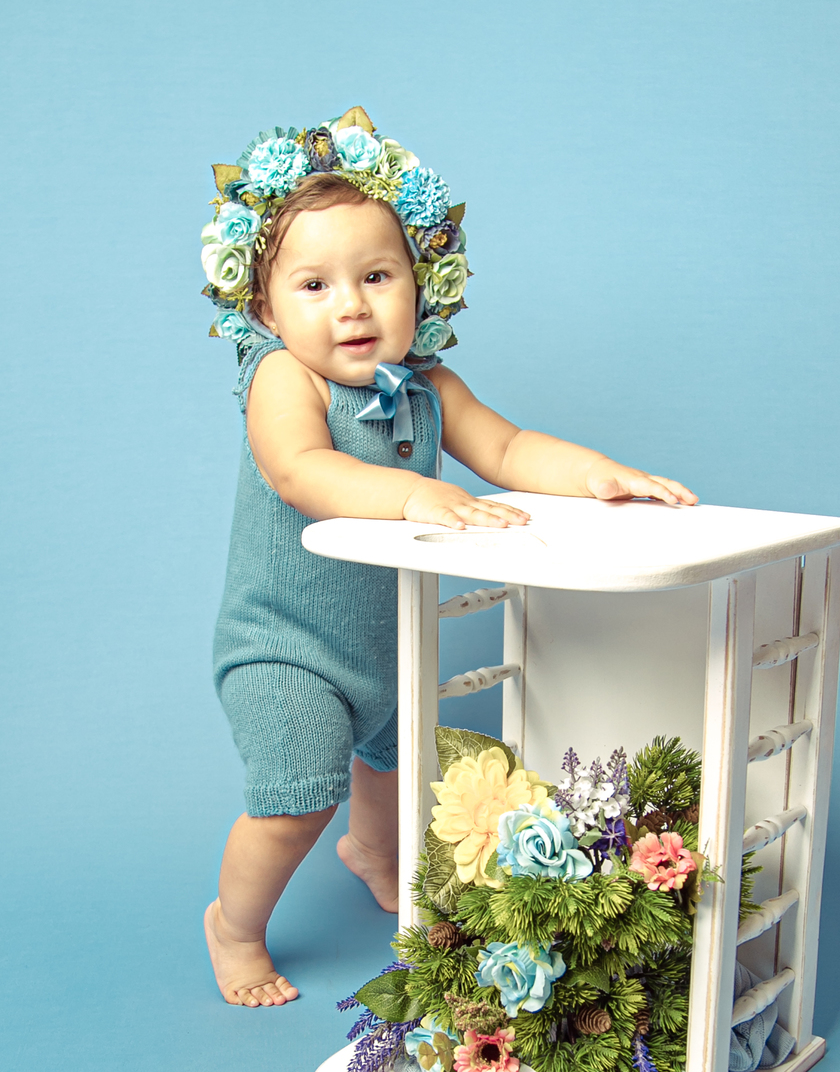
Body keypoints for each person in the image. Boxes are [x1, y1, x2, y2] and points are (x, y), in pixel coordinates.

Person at [199, 109, 697, 1006]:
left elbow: (507, 452)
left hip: (388, 639)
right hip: (286, 645)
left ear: (423, 288)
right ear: (266, 308)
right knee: (296, 797)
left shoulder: (429, 386)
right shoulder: (285, 379)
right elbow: (299, 469)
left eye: (377, 276)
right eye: (314, 286)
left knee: (399, 769)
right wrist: (413, 493)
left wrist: (598, 474)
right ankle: (233, 926)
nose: (350, 304)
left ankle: (374, 851)